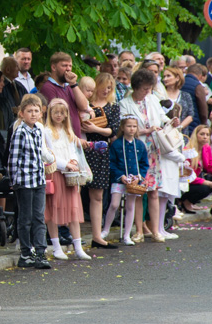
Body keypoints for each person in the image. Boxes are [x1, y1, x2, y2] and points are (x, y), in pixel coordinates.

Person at [119, 68, 182, 243]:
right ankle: (139, 230)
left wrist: (171, 121)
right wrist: (146, 130)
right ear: (136, 87)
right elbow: (125, 126)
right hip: (137, 150)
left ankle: (155, 230)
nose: (147, 92)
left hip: (153, 149)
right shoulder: (125, 103)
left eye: (149, 88)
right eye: (145, 88)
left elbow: (162, 117)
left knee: (153, 191)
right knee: (138, 191)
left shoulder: (152, 99)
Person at [7, 94, 53, 268]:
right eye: (29, 111)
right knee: (26, 218)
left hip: (38, 179)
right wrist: (14, 180)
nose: (33, 114)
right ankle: (26, 253)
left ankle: (41, 253)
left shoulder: (39, 129)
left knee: (39, 217)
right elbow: (14, 158)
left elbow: (41, 152)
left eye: (36, 111)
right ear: (22, 114)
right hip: (24, 181)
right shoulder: (20, 132)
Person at [43, 99, 91, 260]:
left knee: (73, 209)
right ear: (50, 113)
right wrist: (65, 165)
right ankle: (56, 247)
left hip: (70, 175)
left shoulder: (68, 131)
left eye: (62, 113)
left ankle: (78, 247)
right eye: (55, 112)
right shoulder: (47, 131)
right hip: (56, 172)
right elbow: (49, 154)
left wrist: (74, 161)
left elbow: (72, 150)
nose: (59, 115)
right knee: (54, 209)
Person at [80, 73, 120, 249]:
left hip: (101, 151)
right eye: (104, 86)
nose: (107, 90)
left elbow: (114, 131)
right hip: (82, 148)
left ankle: (97, 235)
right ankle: (72, 234)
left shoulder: (112, 106)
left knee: (97, 195)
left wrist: (96, 128)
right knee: (75, 192)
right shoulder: (86, 103)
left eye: (110, 87)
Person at [102, 117, 148, 245]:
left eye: (134, 126)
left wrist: (139, 176)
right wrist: (120, 176)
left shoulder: (139, 144)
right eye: (129, 126)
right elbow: (111, 163)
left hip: (133, 181)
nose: (132, 129)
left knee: (130, 205)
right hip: (119, 179)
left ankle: (127, 234)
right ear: (122, 127)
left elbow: (144, 164)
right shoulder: (116, 144)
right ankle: (106, 230)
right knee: (114, 204)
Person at [39, 52, 92, 138]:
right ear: (53, 67)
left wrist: (74, 84)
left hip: (74, 138)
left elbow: (84, 106)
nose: (68, 69)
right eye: (64, 66)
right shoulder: (48, 88)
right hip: (62, 140)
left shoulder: (69, 86)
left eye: (70, 66)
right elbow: (56, 119)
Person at [178, 125, 212, 213]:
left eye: (207, 135)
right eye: (202, 134)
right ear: (196, 135)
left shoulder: (206, 148)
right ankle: (185, 202)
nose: (205, 137)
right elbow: (188, 177)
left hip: (196, 180)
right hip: (187, 182)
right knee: (206, 187)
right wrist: (207, 182)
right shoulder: (188, 151)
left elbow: (210, 166)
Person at [162, 67, 194, 133]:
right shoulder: (161, 95)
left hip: (182, 133)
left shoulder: (185, 95)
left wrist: (180, 127)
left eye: (168, 76)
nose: (165, 79)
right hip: (164, 132)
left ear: (177, 78)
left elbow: (190, 115)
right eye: (164, 76)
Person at [182, 64, 211, 135]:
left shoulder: (180, 83)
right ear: (200, 75)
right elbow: (203, 107)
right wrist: (204, 123)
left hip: (180, 120)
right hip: (193, 121)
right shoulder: (197, 86)